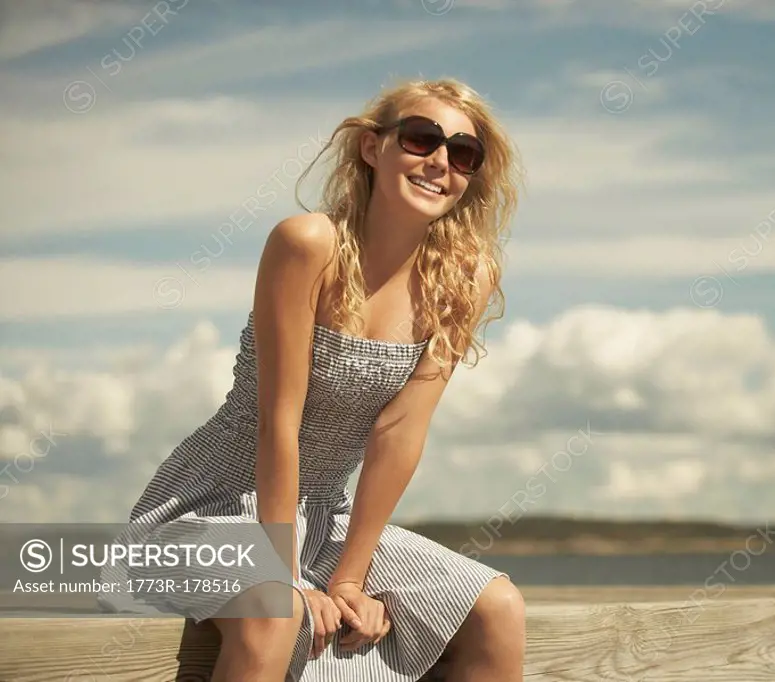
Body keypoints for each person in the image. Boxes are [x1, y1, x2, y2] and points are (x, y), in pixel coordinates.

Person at [100, 78, 526, 681]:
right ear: (372, 148)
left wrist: (349, 576)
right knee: (278, 610)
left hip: (326, 516)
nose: (439, 162)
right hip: (210, 505)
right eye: (421, 138)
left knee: (498, 608)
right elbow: (281, 417)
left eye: (463, 153)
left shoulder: (465, 278)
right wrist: (288, 572)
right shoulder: (307, 244)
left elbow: (401, 432)